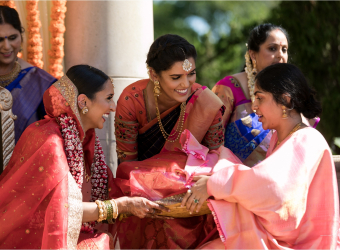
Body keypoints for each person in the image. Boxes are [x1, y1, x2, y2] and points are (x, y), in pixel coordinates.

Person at [0, 65, 169, 249]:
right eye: (108, 99)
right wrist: (121, 206)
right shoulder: (49, 140)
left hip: (75, 232)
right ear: (83, 102)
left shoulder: (87, 139)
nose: (113, 107)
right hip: (35, 238)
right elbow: (61, 210)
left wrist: (161, 189)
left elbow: (109, 190)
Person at [182, 63, 339, 249]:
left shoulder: (306, 139)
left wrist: (213, 184)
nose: (254, 106)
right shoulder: (281, 137)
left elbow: (273, 191)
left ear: (286, 101)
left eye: (260, 98)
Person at [113, 34, 224, 249]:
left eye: (191, 74)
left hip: (192, 197)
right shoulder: (131, 101)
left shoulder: (204, 101)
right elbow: (127, 166)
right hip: (144, 198)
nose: (186, 84)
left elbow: (217, 158)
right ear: (153, 74)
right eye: (176, 78)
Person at [212, 23, 319, 167]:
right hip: (233, 181)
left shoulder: (290, 95)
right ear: (253, 54)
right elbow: (210, 144)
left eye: (284, 49)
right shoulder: (229, 88)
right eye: (272, 48)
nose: (280, 55)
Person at [0, 6, 56, 143]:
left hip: (27, 163)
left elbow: (54, 141)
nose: (7, 46)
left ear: (21, 36)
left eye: (13, 38)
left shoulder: (42, 84)